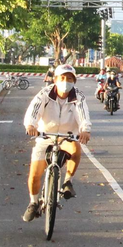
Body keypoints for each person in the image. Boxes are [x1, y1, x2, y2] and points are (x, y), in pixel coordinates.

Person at [22, 64, 92, 221]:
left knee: (76, 149)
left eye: (69, 78)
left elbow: (83, 114)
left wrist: (85, 130)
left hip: (67, 137)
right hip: (45, 136)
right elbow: (34, 110)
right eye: (62, 78)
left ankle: (68, 182)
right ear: (55, 79)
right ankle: (34, 203)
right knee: (34, 175)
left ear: (74, 81)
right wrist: (31, 125)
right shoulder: (44, 94)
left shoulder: (78, 97)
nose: (65, 81)